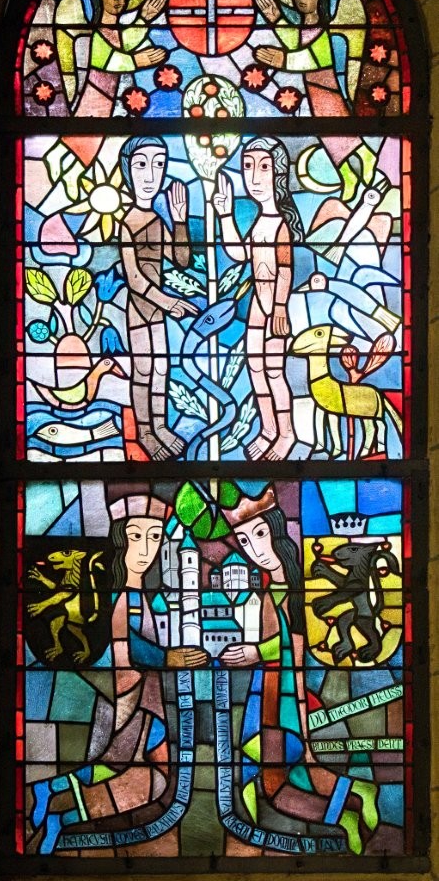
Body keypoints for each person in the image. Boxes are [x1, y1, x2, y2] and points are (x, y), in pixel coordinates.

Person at [29, 491, 207, 853]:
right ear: (119, 538)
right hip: (124, 697)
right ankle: (58, 802)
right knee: (145, 773)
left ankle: (60, 804)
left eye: (155, 536)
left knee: (150, 777)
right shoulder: (120, 593)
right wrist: (168, 658)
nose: (146, 548)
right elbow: (124, 641)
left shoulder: (142, 593)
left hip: (145, 697)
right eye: (135, 536)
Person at [221, 487, 379, 855]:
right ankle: (354, 797)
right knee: (290, 774)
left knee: (275, 783)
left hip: (282, 697)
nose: (255, 549)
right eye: (244, 541)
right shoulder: (269, 591)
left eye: (260, 534)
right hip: (269, 692)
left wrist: (255, 652)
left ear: (277, 531)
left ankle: (346, 813)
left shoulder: (292, 590)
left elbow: (296, 646)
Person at [213, 137, 303, 460]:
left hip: (274, 304)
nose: (254, 176)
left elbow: (285, 270)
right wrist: (225, 215)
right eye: (247, 166)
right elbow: (240, 255)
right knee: (255, 368)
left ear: (279, 173)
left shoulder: (280, 226)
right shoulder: (259, 222)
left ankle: (286, 434)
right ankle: (267, 429)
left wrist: (279, 308)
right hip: (257, 305)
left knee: (274, 371)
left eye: (264, 167)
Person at [254, 0, 376, 203]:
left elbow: (312, 58)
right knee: (328, 136)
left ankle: (366, 156)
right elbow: (294, 41)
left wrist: (282, 60)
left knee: (337, 130)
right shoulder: (306, 27)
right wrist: (275, 18)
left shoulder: (323, 30)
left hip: (328, 92)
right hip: (314, 93)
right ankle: (348, 176)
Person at [47, 0, 167, 198]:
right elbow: (109, 60)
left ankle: (57, 156)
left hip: (108, 93)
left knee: (90, 134)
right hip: (96, 92)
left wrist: (144, 18)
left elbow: (127, 41)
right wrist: (138, 61)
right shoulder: (97, 32)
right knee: (92, 135)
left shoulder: (113, 31)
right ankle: (71, 172)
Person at [119, 137, 198, 460]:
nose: (151, 175)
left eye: (159, 164)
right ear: (128, 171)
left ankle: (161, 425)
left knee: (162, 368)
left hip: (157, 309)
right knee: (143, 369)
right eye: (141, 165)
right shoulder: (127, 224)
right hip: (141, 308)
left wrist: (180, 221)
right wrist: (167, 302)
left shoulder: (156, 220)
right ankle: (145, 432)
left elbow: (180, 260)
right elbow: (134, 279)